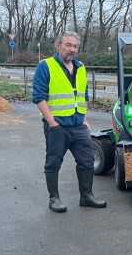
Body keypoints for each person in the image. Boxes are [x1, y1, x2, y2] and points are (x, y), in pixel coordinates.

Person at [32, 31, 107, 212]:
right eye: (68, 45)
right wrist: (51, 122)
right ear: (58, 45)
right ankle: (54, 199)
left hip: (78, 125)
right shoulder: (46, 66)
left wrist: (85, 119)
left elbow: (84, 96)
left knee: (87, 160)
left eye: (74, 46)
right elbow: (39, 97)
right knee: (53, 162)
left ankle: (87, 196)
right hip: (57, 126)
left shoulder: (80, 67)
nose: (71, 50)